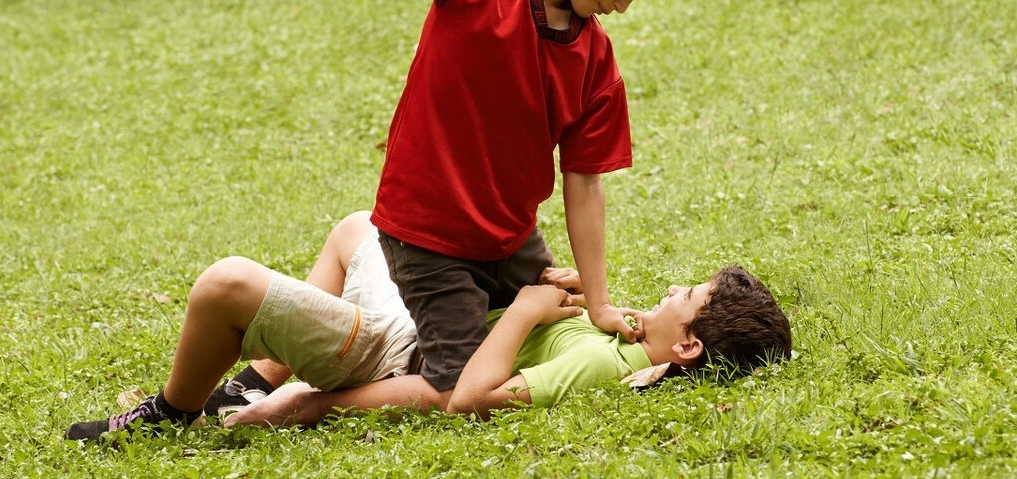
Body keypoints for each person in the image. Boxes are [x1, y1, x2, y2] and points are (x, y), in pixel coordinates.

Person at [339, 0, 696, 411]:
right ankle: (300, 401)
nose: (624, 5)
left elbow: (584, 184)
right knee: (455, 386)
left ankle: (282, 363)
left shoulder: (597, 62)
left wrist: (599, 303)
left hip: (512, 243)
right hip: (430, 237)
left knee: (552, 330)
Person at [65, 212, 791, 441]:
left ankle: (170, 413)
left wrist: (312, 405)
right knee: (362, 225)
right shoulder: (626, 341)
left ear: (688, 343)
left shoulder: (600, 369)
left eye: (685, 294)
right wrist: (557, 292)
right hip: (420, 320)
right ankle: (251, 377)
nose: (671, 287)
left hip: (395, 354)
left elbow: (463, 395)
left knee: (226, 283)